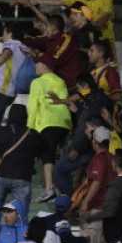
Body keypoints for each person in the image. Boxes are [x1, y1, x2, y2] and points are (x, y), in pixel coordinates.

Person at [50, 74, 113, 196]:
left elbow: (89, 125)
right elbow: (81, 109)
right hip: (93, 149)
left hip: (87, 149)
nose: (78, 92)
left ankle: (69, 200)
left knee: (59, 169)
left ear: (85, 85)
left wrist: (77, 148)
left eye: (79, 88)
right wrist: (63, 103)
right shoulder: (94, 99)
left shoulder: (95, 101)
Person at [0, 104, 38, 232]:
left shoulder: (2, 132)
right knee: (21, 207)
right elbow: (43, 150)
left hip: (3, 175)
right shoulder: (33, 134)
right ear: (25, 117)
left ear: (10, 117)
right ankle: (22, 233)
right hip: (23, 177)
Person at [76, 126, 117, 243]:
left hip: (96, 210)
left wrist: (85, 203)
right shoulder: (113, 158)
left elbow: (97, 181)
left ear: (95, 142)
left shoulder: (99, 159)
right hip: (107, 210)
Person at [26, 54, 72, 202]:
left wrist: (29, 127)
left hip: (47, 122)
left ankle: (49, 189)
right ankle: (59, 187)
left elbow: (33, 106)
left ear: (45, 66)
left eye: (38, 64)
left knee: (47, 156)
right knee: (57, 155)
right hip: (64, 123)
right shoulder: (60, 81)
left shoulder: (37, 82)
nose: (35, 66)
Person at [21, 10, 84, 90]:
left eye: (47, 26)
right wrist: (18, 39)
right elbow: (35, 41)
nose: (45, 29)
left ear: (53, 27)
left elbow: (52, 60)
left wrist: (36, 54)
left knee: (39, 68)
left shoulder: (65, 39)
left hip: (69, 83)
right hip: (56, 80)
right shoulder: (50, 38)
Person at [67, 2, 101, 70]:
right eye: (71, 14)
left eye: (75, 14)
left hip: (87, 72)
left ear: (84, 16)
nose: (71, 17)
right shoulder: (72, 32)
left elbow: (97, 52)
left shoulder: (92, 32)